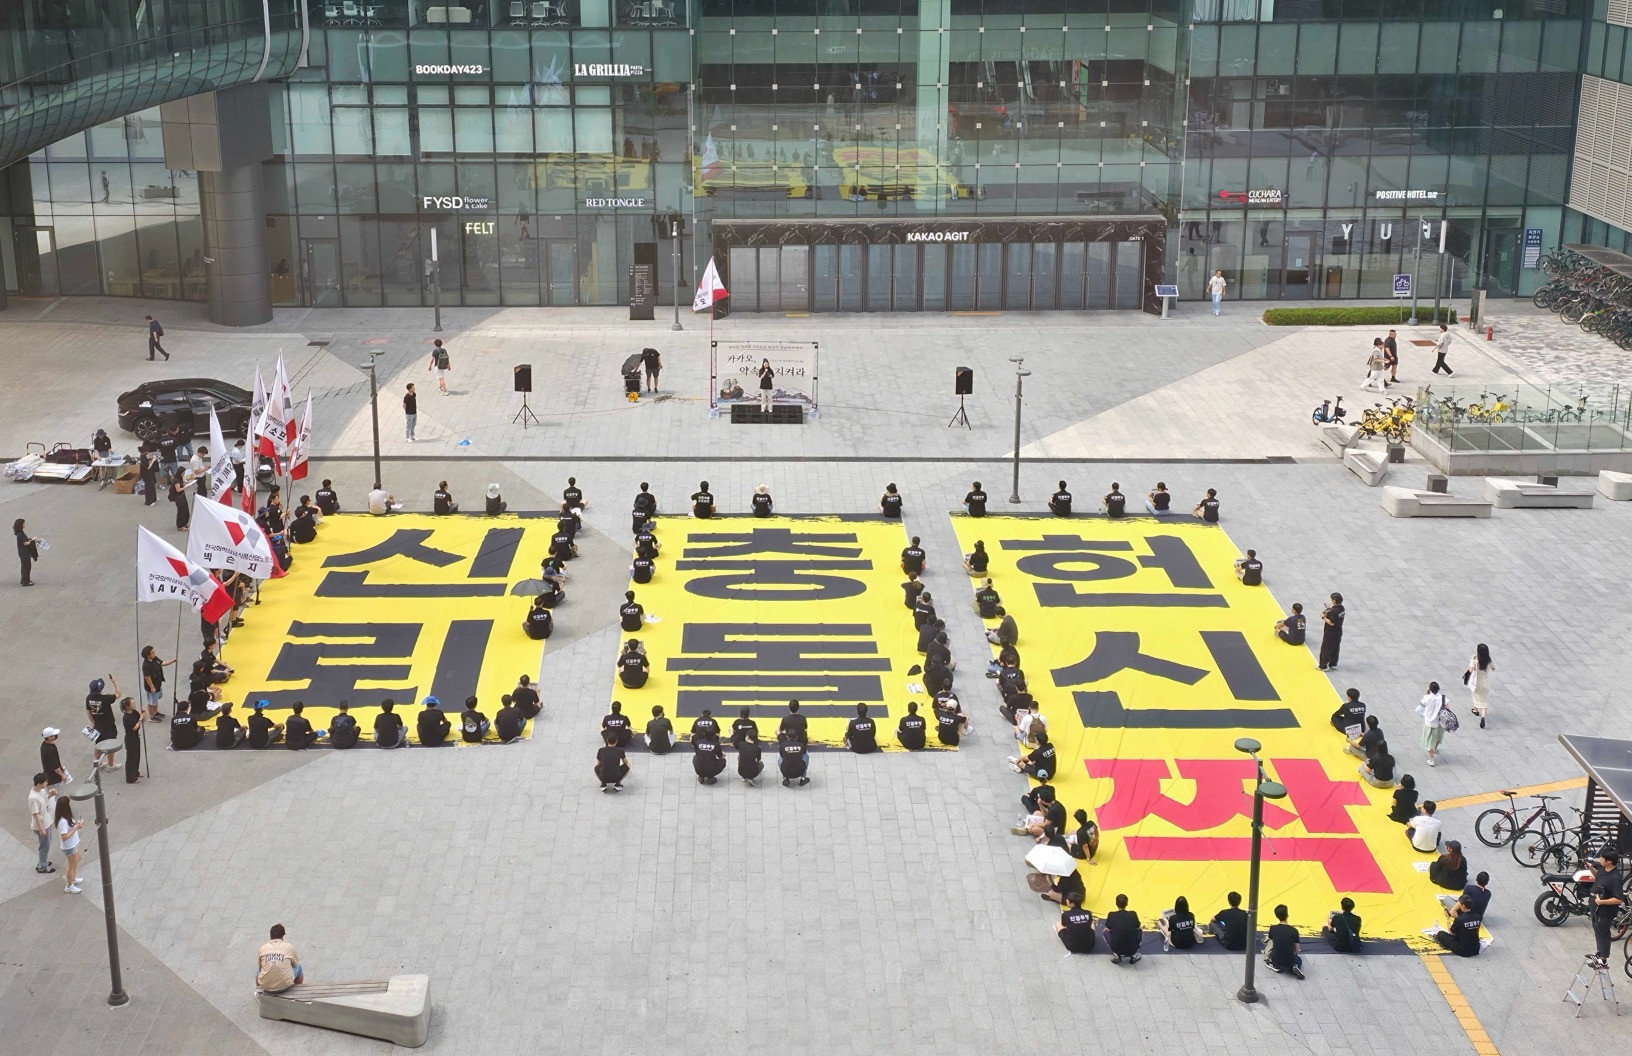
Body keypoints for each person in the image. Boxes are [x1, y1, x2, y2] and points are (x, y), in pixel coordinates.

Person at [1588, 848, 1624, 968]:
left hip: (1605, 912)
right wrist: (1591, 869)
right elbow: (1598, 876)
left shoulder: (1615, 878)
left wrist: (1601, 902)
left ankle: (1603, 960)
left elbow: (1618, 899)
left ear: (1609, 861)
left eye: (1602, 858)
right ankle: (1599, 954)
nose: (1600, 859)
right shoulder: (1604, 869)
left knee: (1603, 933)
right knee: (1597, 931)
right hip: (1596, 909)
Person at [85, 677, 120, 771]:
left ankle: (98, 763)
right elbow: (118, 694)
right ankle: (111, 765)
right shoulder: (106, 698)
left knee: (98, 745)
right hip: (108, 726)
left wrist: (93, 722)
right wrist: (115, 682)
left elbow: (88, 711)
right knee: (110, 745)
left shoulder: (89, 698)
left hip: (97, 726)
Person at [256, 924, 304, 992]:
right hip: (285, 986)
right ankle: (298, 991)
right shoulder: (289, 947)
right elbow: (294, 963)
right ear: (282, 936)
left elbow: (260, 967)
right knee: (299, 967)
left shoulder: (262, 948)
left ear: (270, 936)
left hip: (266, 987)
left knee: (258, 972)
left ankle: (259, 992)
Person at [1263, 904, 1304, 978]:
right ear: (1287, 915)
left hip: (1276, 958)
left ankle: (1275, 966)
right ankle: (1295, 965)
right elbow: (1297, 947)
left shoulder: (1273, 928)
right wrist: (1295, 954)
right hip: (1290, 959)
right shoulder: (1294, 931)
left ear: (1276, 916)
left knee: (1272, 952)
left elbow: (1271, 941)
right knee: (1298, 960)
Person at [1417, 681, 1450, 766]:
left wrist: (1427, 694)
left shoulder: (1427, 698)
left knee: (1429, 741)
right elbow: (1448, 708)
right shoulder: (1442, 698)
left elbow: (1419, 708)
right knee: (1438, 738)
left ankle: (1431, 759)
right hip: (1439, 723)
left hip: (1429, 723)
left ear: (1430, 689)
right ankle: (1435, 748)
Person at [1102, 894, 1142, 962]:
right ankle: (1133, 954)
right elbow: (1138, 927)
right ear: (1127, 903)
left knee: (1105, 931)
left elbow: (1108, 928)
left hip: (1117, 948)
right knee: (1139, 930)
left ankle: (1117, 954)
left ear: (1116, 903)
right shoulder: (1133, 914)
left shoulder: (1112, 915)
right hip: (1132, 949)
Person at [56, 797, 84, 894]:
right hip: (69, 846)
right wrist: (76, 827)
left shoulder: (66, 817)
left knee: (78, 858)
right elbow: (64, 837)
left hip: (73, 843)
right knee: (71, 865)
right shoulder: (63, 821)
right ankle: (69, 885)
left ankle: (73, 878)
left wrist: (76, 825)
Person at [30, 774, 56, 874]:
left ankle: (43, 861)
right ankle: (42, 865)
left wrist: (51, 795)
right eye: (45, 782)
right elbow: (35, 814)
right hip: (42, 825)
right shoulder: (33, 798)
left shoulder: (41, 790)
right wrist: (41, 828)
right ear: (40, 783)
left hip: (47, 821)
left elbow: (44, 800)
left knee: (47, 843)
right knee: (44, 845)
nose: (47, 783)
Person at [1466, 643, 1495, 728]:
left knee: (1475, 696)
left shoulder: (1475, 660)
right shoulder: (1489, 660)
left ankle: (1475, 709)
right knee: (1484, 701)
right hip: (1485, 683)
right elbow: (1493, 668)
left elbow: (1470, 670)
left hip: (1476, 683)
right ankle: (1483, 716)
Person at [1317, 592, 1344, 670]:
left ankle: (1323, 666)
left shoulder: (1334, 611)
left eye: (1332, 600)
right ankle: (1333, 664)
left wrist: (1323, 617)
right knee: (1335, 648)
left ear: (1335, 600)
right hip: (1338, 631)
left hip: (1330, 632)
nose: (1331, 601)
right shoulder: (1342, 608)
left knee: (1326, 649)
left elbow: (1331, 622)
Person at [120, 698, 143, 783]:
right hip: (130, 739)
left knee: (137, 756)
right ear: (127, 706)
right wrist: (140, 719)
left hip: (136, 737)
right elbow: (134, 728)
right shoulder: (127, 718)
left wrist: (142, 714)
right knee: (131, 758)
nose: (134, 705)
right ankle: (130, 778)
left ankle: (136, 772)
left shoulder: (134, 712)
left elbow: (140, 718)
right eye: (132, 704)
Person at [15, 518, 39, 586]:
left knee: (24, 566)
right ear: (21, 525)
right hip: (24, 553)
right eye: (24, 523)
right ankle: (26, 581)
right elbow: (25, 543)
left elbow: (25, 540)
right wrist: (33, 540)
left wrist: (30, 539)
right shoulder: (20, 534)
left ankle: (23, 580)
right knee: (27, 566)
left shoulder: (20, 533)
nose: (25, 524)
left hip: (23, 552)